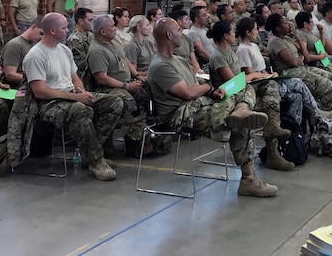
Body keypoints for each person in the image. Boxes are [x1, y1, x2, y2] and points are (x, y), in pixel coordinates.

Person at [148, 17, 278, 197]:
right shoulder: (160, 65)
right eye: (178, 31)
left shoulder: (178, 59)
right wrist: (209, 88)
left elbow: (196, 84)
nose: (182, 34)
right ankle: (249, 179)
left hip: (199, 103)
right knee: (239, 119)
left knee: (243, 90)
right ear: (169, 35)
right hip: (180, 114)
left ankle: (241, 111)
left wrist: (211, 92)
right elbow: (187, 92)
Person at [19, 13, 124, 181]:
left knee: (114, 102)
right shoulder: (36, 55)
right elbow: (40, 91)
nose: (68, 30)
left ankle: (89, 152)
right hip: (49, 103)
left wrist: (81, 92)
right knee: (80, 109)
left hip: (70, 94)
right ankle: (95, 160)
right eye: (64, 28)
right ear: (52, 30)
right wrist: (74, 98)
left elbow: (75, 77)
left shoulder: (64, 49)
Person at [208, 20, 293, 171]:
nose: (235, 34)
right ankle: (272, 151)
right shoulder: (218, 56)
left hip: (243, 91)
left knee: (272, 93)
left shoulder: (230, 52)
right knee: (269, 103)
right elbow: (232, 82)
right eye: (232, 32)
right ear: (225, 35)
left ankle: (273, 145)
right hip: (229, 96)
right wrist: (253, 75)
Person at [86, 14, 149, 157]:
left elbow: (124, 59)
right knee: (127, 101)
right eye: (112, 26)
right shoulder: (97, 51)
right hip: (109, 88)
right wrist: (126, 86)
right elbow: (102, 78)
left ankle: (138, 139)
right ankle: (104, 140)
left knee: (150, 90)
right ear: (103, 31)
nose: (115, 29)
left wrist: (137, 76)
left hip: (126, 82)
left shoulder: (113, 42)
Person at [0, 16, 44, 87]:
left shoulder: (34, 44)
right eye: (41, 33)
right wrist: (36, 79)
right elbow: (10, 75)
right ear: (34, 27)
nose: (41, 38)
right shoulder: (15, 45)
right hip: (17, 87)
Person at [66, 7, 94, 78]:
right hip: (83, 77)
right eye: (90, 20)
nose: (93, 23)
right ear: (81, 21)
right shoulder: (74, 40)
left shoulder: (91, 35)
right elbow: (80, 64)